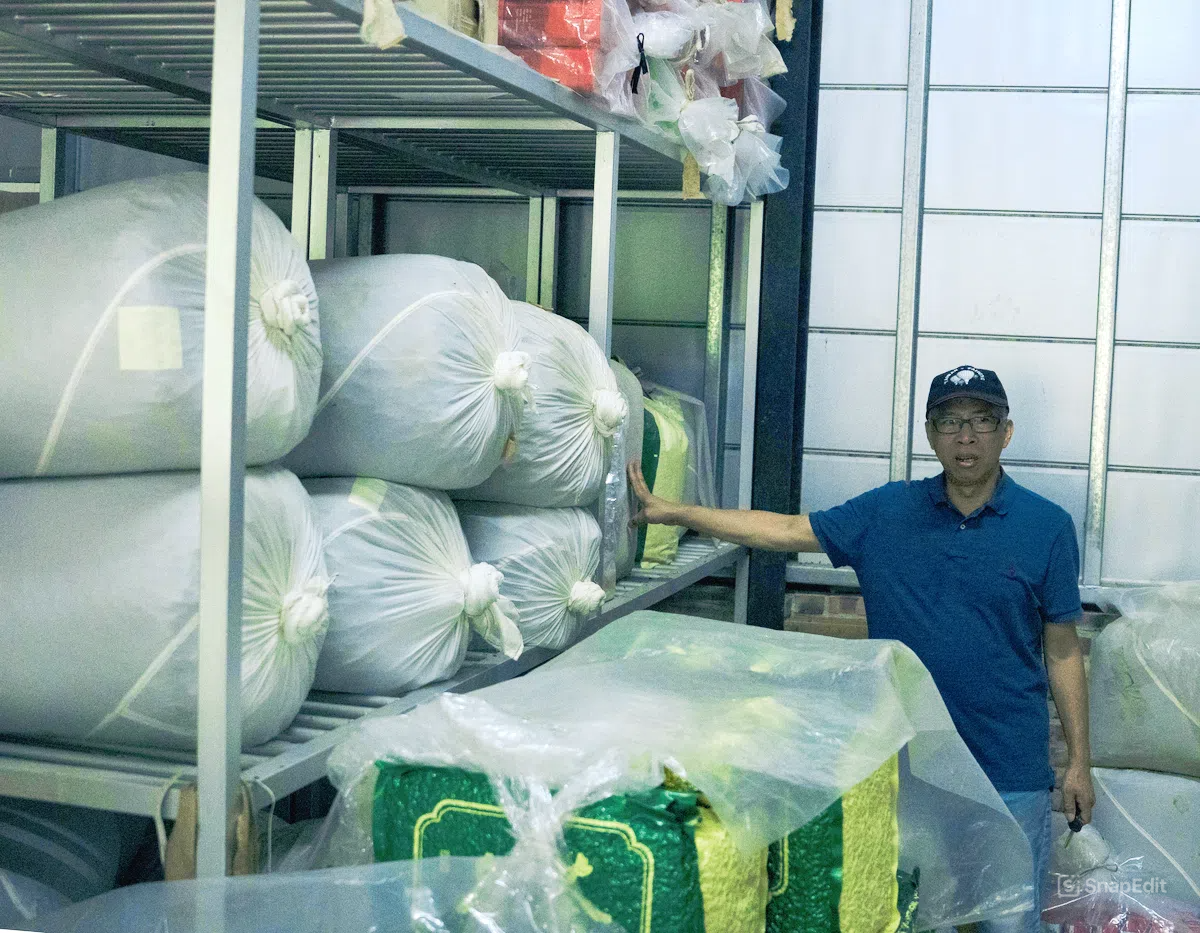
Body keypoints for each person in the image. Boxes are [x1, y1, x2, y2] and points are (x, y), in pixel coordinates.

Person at [628, 365, 1094, 933]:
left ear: (1006, 432)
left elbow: (1063, 651)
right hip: (910, 767)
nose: (966, 437)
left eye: (981, 421)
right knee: (913, 917)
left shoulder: (1047, 526)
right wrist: (677, 512)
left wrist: (1079, 762)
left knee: (1009, 924)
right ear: (930, 434)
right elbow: (784, 530)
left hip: (1008, 769)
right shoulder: (887, 513)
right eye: (950, 422)